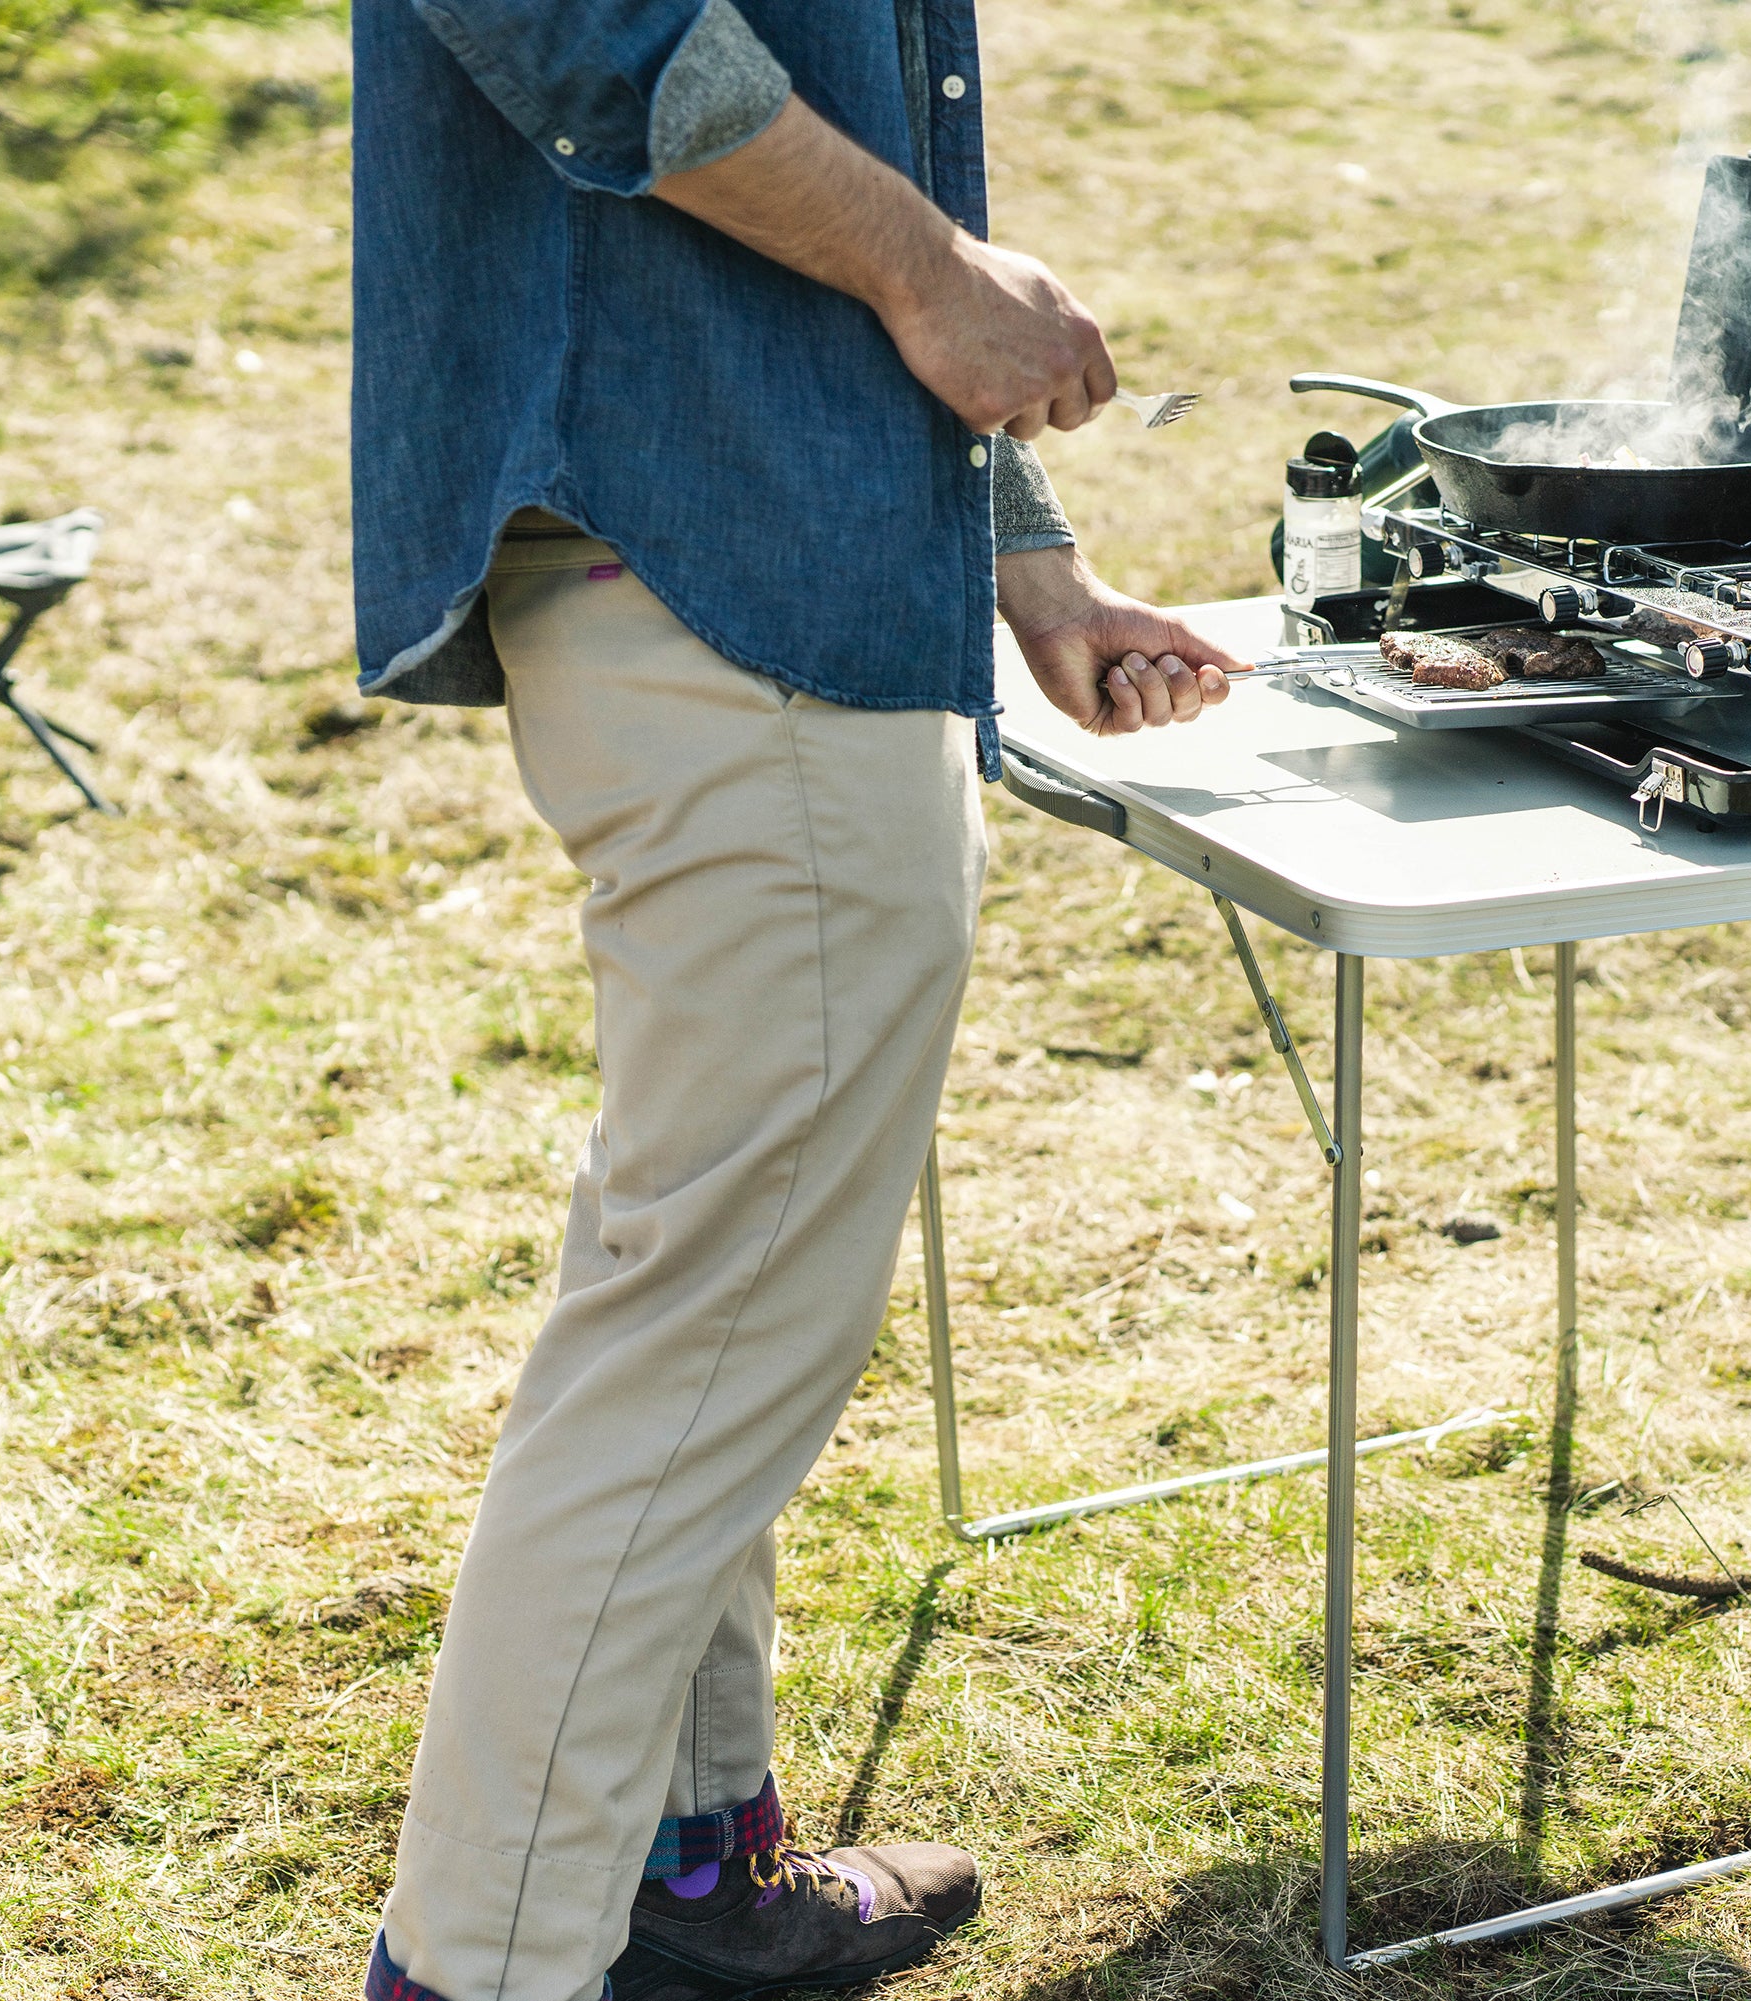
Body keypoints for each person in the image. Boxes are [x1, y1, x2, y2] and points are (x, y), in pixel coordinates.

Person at [347, 3, 1245, 1996]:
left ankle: (683, 1870)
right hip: (720, 567)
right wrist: (936, 273)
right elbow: (582, 27)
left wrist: (1026, 561)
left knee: (702, 1275)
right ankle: (485, 1966)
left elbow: (830, 120)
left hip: (762, 552)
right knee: (706, 1323)